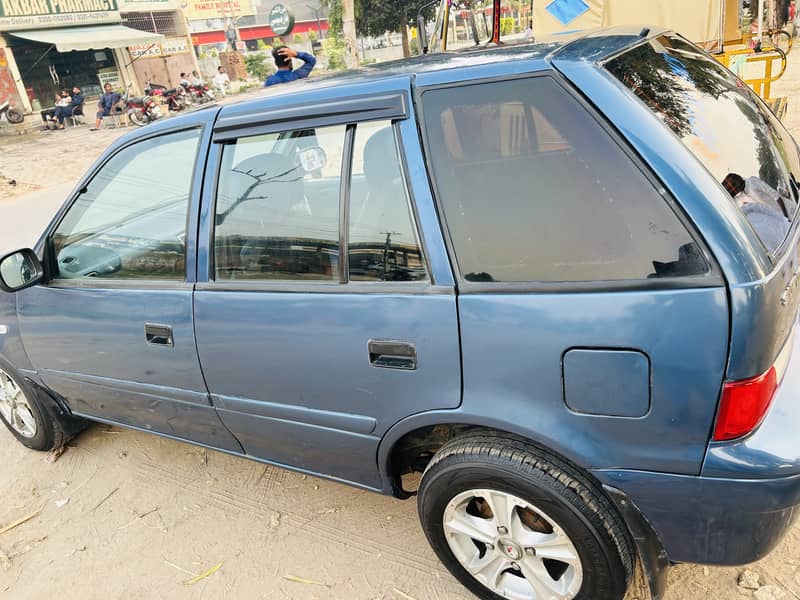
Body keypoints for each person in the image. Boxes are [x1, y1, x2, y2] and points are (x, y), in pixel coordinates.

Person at [722, 172, 790, 252]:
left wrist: (786, 217)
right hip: (778, 225)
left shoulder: (752, 182)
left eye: (732, 189)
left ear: (736, 185)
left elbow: (777, 197)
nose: (734, 193)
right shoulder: (741, 198)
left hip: (787, 216)